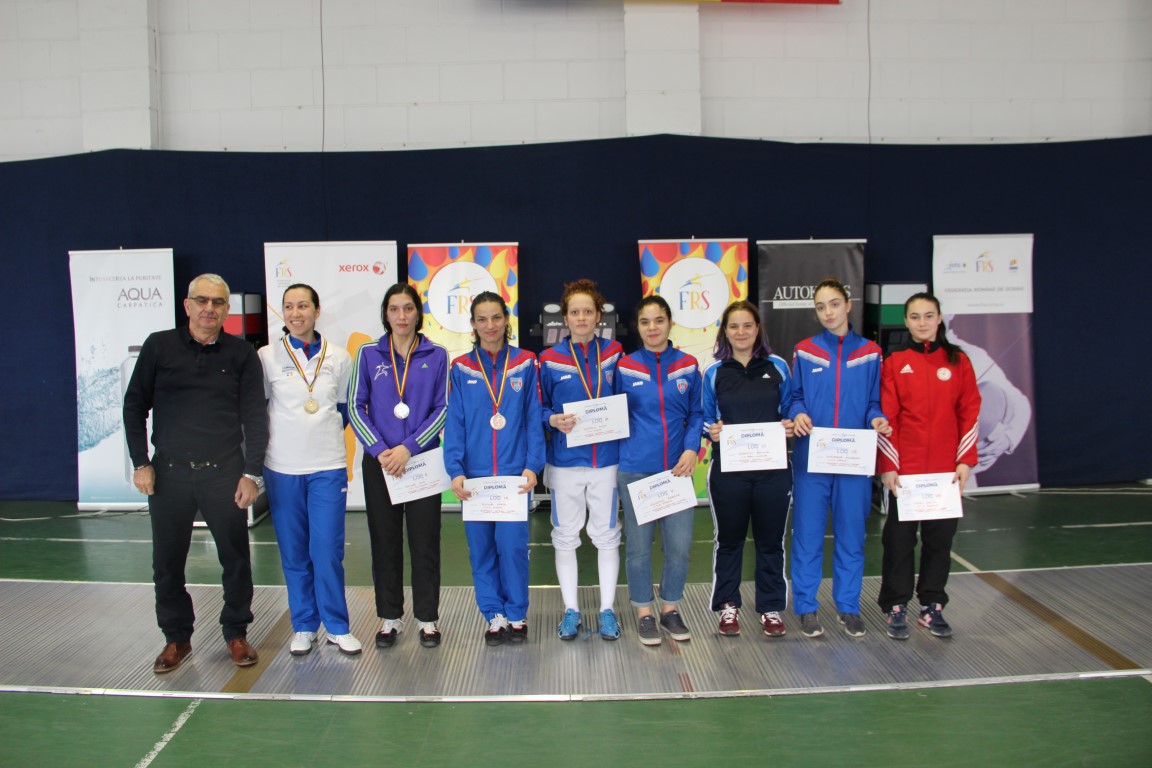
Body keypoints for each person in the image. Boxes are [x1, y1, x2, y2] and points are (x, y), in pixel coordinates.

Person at [123, 273, 269, 673]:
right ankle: (176, 638)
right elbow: (134, 406)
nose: (209, 308)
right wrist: (141, 462)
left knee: (235, 559)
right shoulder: (159, 346)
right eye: (201, 300)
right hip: (168, 474)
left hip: (224, 473)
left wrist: (252, 474)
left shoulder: (242, 354)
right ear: (186, 305)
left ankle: (236, 632)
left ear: (227, 309)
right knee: (167, 562)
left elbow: (256, 417)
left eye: (218, 302)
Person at [258, 284, 360, 657]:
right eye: (289, 306)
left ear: (317, 311)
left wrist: (317, 436)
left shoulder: (339, 357)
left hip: (327, 467)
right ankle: (304, 625)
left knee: (327, 549)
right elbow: (259, 409)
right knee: (294, 551)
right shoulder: (266, 356)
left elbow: (344, 410)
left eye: (303, 306)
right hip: (282, 468)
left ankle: (337, 626)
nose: (295, 313)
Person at [788, 278, 890, 639]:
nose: (828, 312)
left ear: (848, 305)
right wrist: (798, 413)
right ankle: (806, 607)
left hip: (853, 460)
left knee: (851, 535)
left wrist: (877, 419)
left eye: (833, 304)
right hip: (812, 459)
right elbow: (794, 398)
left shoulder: (871, 353)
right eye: (820, 307)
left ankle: (848, 607)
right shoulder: (805, 351)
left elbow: (875, 402)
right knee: (807, 535)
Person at [349, 283, 449, 649]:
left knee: (425, 541)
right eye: (394, 309)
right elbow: (355, 406)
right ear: (385, 314)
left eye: (408, 308)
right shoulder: (368, 353)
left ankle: (427, 618)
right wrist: (381, 451)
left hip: (422, 462)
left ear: (418, 313)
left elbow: (444, 408)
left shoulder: (437, 354)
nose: (402, 316)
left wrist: (409, 448)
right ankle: (389, 617)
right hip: (380, 464)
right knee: (384, 541)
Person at [876, 293, 980, 639]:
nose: (922, 322)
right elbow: (887, 416)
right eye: (915, 316)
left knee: (940, 541)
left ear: (939, 318)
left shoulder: (958, 361)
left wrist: (964, 460)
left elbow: (969, 412)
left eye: (928, 315)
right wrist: (889, 465)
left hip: (945, 473)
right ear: (906, 321)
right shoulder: (895, 362)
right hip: (906, 472)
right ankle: (896, 605)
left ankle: (932, 605)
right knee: (898, 540)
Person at [444, 291, 545, 646]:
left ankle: (516, 612)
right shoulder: (461, 368)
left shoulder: (526, 363)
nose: (490, 325)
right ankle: (494, 614)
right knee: (482, 550)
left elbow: (533, 417)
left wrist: (533, 465)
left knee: (512, 548)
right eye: (482, 319)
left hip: (513, 478)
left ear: (506, 320)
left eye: (496, 317)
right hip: (475, 479)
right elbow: (455, 422)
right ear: (473, 324)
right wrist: (455, 468)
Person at [614, 295, 704, 647]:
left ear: (670, 323)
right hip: (635, 471)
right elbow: (611, 414)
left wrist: (691, 448)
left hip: (677, 471)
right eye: (645, 322)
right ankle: (643, 612)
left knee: (679, 547)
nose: (652, 328)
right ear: (637, 327)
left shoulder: (687, 365)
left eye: (659, 320)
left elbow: (696, 413)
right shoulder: (624, 367)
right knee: (638, 548)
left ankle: (670, 608)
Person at [539, 279, 625, 641]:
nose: (581, 317)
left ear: (598, 314)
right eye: (574, 312)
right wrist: (552, 419)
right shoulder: (549, 359)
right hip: (565, 463)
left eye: (588, 311)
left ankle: (607, 610)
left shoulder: (615, 353)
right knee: (565, 536)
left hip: (606, 461)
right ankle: (571, 610)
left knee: (606, 536)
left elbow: (626, 400)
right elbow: (539, 406)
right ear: (565, 317)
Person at [702, 300, 794, 638]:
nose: (741, 332)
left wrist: (789, 422)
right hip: (729, 472)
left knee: (771, 541)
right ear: (725, 332)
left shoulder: (778, 366)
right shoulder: (714, 372)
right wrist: (711, 430)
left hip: (773, 471)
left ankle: (770, 607)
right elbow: (704, 417)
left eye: (747, 325)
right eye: (734, 326)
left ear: (758, 329)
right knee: (729, 540)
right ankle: (728, 606)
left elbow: (791, 406)